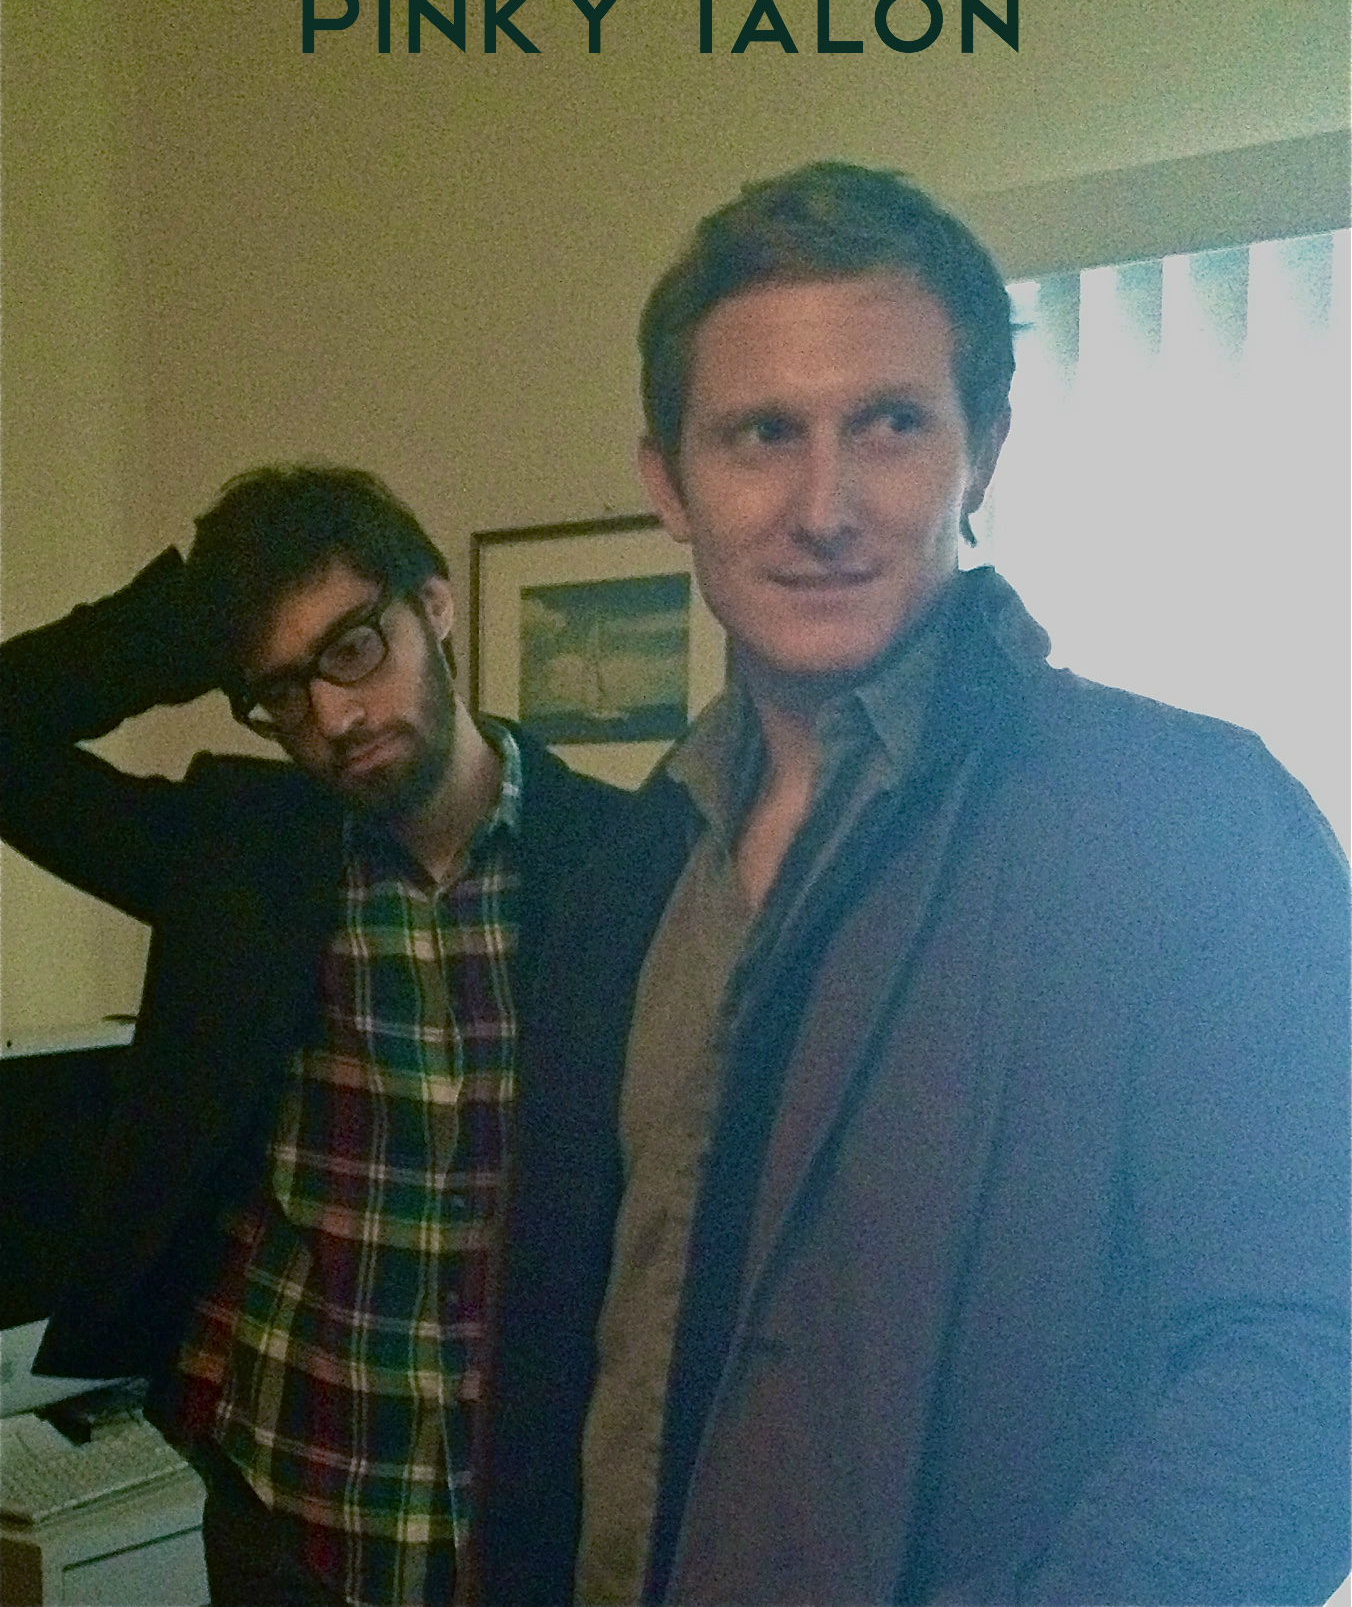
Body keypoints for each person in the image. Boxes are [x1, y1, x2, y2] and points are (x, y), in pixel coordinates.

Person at [575, 164, 1351, 1606]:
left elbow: (1311, 1376)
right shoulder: (632, 868)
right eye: (760, 433)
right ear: (667, 482)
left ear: (981, 450)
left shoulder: (1191, 823)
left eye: (888, 422)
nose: (824, 506)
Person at [0, 465, 633, 1607]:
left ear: (433, 604)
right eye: (282, 692)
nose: (332, 718)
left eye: (352, 648)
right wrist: (191, 619)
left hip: (534, 1520)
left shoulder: (621, 860)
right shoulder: (241, 856)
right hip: (288, 1505)